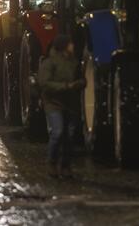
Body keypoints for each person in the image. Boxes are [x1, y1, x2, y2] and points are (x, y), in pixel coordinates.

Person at [38, 35, 86, 179]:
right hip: (54, 103)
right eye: (70, 44)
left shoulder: (74, 62)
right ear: (64, 46)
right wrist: (66, 86)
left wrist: (81, 83)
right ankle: (52, 163)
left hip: (70, 104)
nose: (73, 46)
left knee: (69, 136)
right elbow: (44, 83)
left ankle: (65, 166)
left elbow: (81, 78)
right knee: (57, 132)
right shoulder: (49, 63)